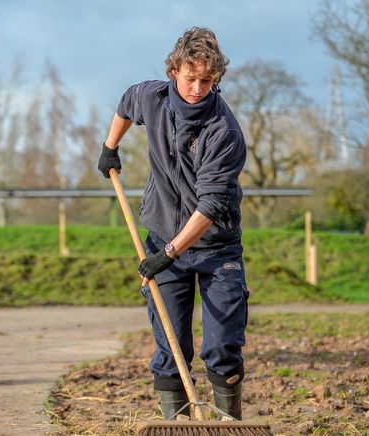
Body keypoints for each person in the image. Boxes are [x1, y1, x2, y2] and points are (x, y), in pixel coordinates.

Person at [97, 27, 248, 420]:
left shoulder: (224, 131)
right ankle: (175, 424)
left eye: (206, 81)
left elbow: (211, 205)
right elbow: (127, 102)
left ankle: (227, 422)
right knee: (170, 346)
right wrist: (110, 147)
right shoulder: (152, 97)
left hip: (215, 247)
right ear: (173, 70)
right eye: (189, 78)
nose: (197, 88)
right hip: (163, 232)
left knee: (222, 345)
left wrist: (168, 254)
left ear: (216, 80)